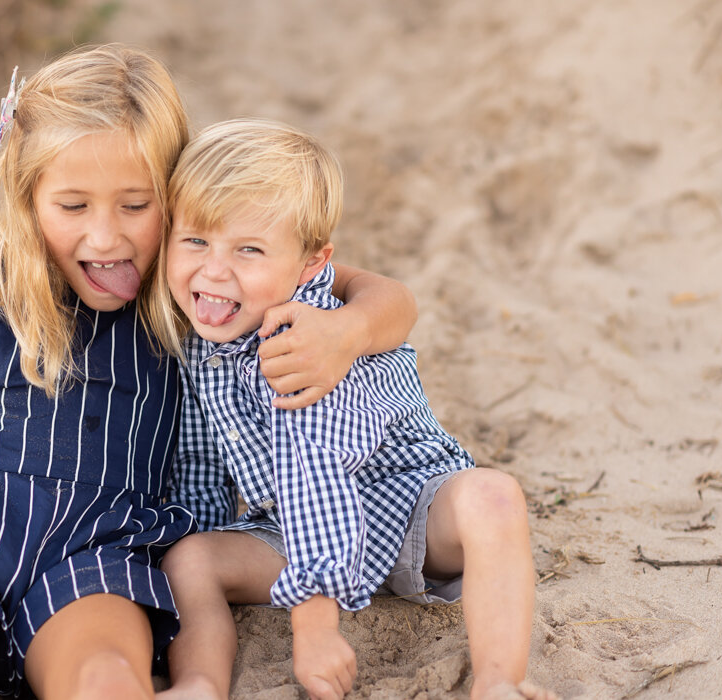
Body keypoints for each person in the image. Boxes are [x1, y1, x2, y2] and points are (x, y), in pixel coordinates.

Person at [0, 47, 419, 700]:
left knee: (107, 682)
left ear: (180, 195)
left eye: (135, 205)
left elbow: (391, 300)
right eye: (73, 206)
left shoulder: (203, 290)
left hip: (103, 549)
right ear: (27, 196)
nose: (105, 238)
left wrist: (347, 331)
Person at [152, 119, 557, 700]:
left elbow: (313, 475)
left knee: (492, 497)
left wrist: (315, 628)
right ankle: (200, 683)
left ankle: (499, 680)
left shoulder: (299, 341)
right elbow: (199, 455)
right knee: (190, 560)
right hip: (290, 528)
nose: (214, 270)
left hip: (406, 507)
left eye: (249, 249)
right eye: (195, 241)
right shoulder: (203, 336)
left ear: (311, 265)